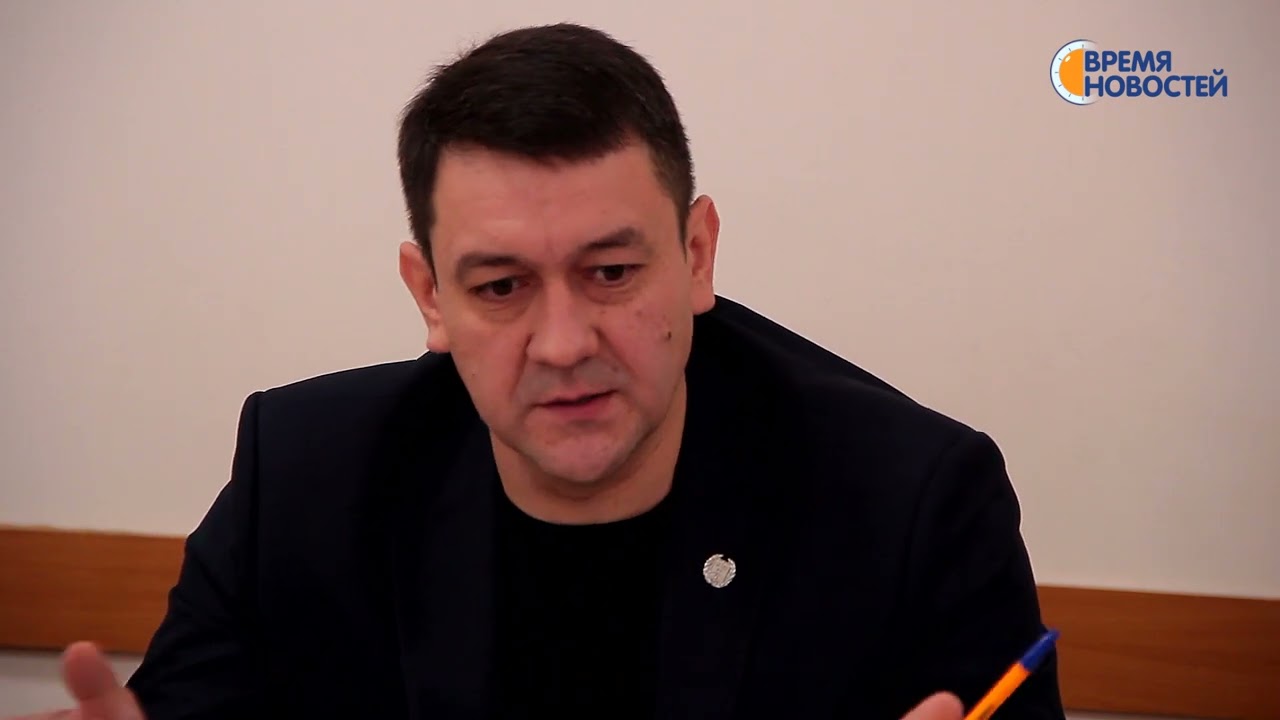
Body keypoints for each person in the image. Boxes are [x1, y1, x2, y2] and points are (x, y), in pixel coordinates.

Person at [10, 22, 1065, 720]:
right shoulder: (304, 477)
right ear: (430, 295)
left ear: (697, 255)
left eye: (610, 273)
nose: (562, 343)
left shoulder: (911, 499)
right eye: (502, 286)